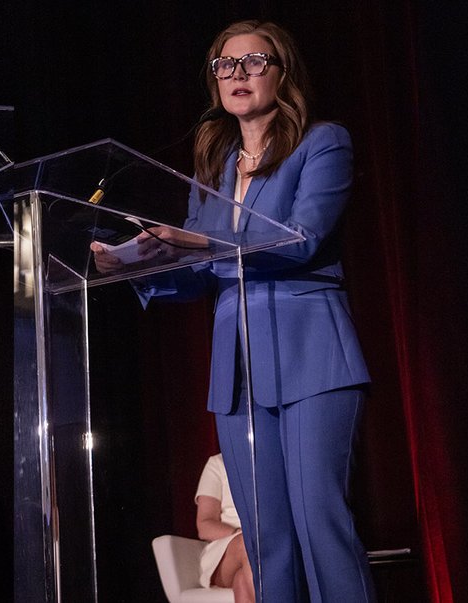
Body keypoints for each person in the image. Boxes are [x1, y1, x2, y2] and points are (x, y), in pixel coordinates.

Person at [93, 20, 375, 602]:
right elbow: (203, 270)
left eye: (253, 62)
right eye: (226, 65)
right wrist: (137, 267)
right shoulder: (215, 164)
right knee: (264, 538)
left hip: (311, 357)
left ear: (282, 72)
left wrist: (197, 241)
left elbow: (300, 239)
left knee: (319, 522)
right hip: (240, 371)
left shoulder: (323, 143)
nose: (237, 75)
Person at [196, 453, 255, 602]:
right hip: (227, 549)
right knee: (249, 544)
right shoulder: (217, 463)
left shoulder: (275, 460)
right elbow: (204, 525)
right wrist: (239, 533)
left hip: (267, 544)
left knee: (241, 580)